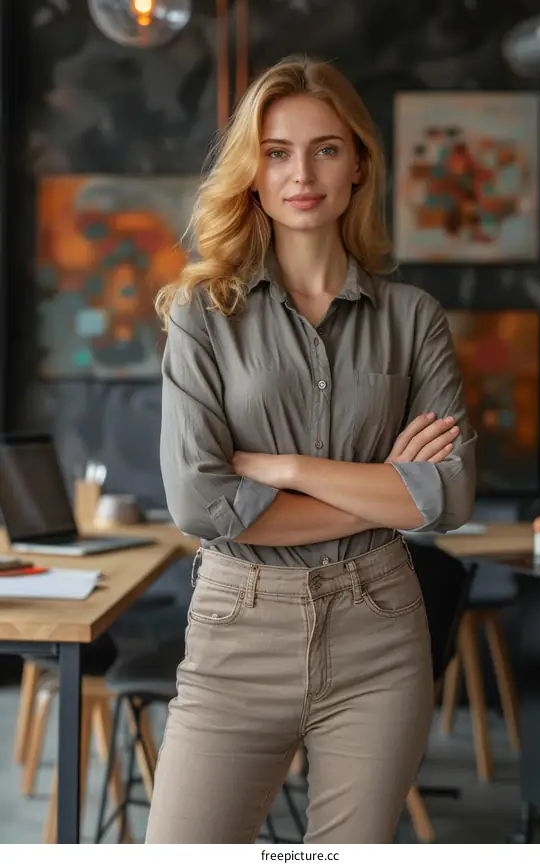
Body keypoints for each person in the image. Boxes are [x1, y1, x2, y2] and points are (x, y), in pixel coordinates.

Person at [146, 56, 476, 844]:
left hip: (379, 631)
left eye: (326, 149)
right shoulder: (202, 314)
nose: (303, 174)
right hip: (238, 629)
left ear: (358, 163)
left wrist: (287, 471)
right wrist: (385, 489)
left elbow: (451, 496)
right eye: (277, 152)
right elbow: (201, 505)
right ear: (253, 174)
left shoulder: (412, 318)